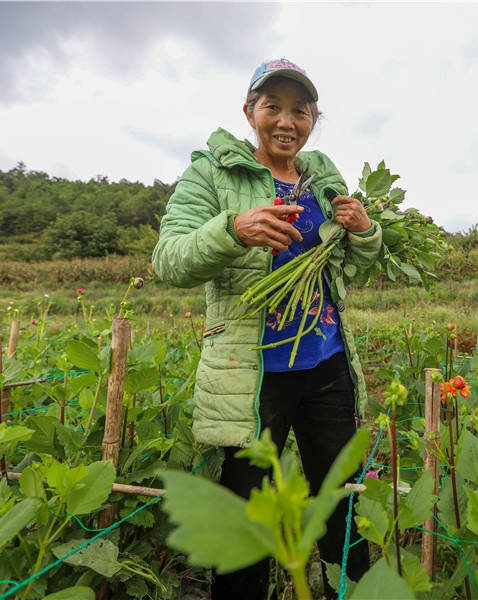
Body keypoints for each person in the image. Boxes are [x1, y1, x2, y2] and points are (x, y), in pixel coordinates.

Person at [152, 57, 378, 599]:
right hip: (252, 374)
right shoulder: (213, 174)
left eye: (300, 110)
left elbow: (350, 270)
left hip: (325, 365)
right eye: (272, 106)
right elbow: (168, 260)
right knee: (246, 516)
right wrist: (233, 230)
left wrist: (365, 234)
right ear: (249, 111)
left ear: (313, 119)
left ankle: (353, 592)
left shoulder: (324, 180)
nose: (286, 120)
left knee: (340, 502)